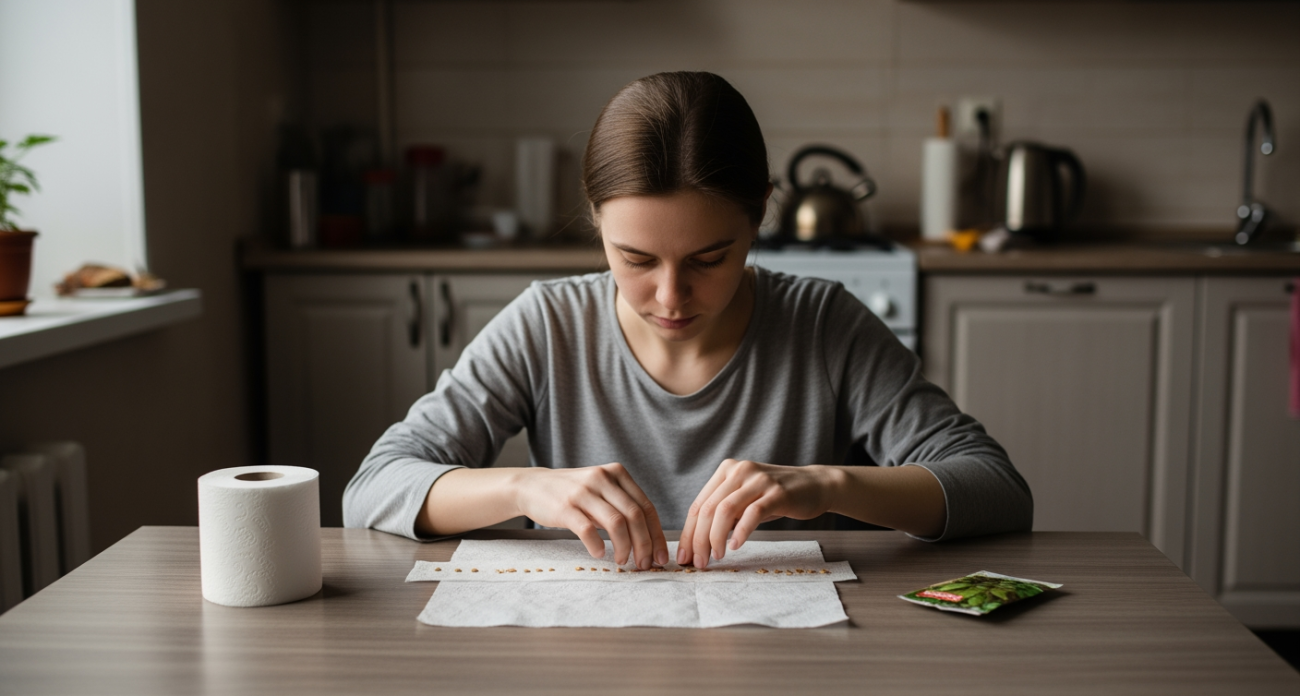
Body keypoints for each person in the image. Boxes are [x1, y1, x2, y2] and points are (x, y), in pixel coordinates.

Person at [344, 71, 1032, 571]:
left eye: (710, 257)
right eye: (635, 258)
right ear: (595, 219)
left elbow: (997, 489)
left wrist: (824, 484)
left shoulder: (824, 325)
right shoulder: (546, 323)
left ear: (759, 214)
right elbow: (373, 487)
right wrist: (527, 486)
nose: (670, 296)